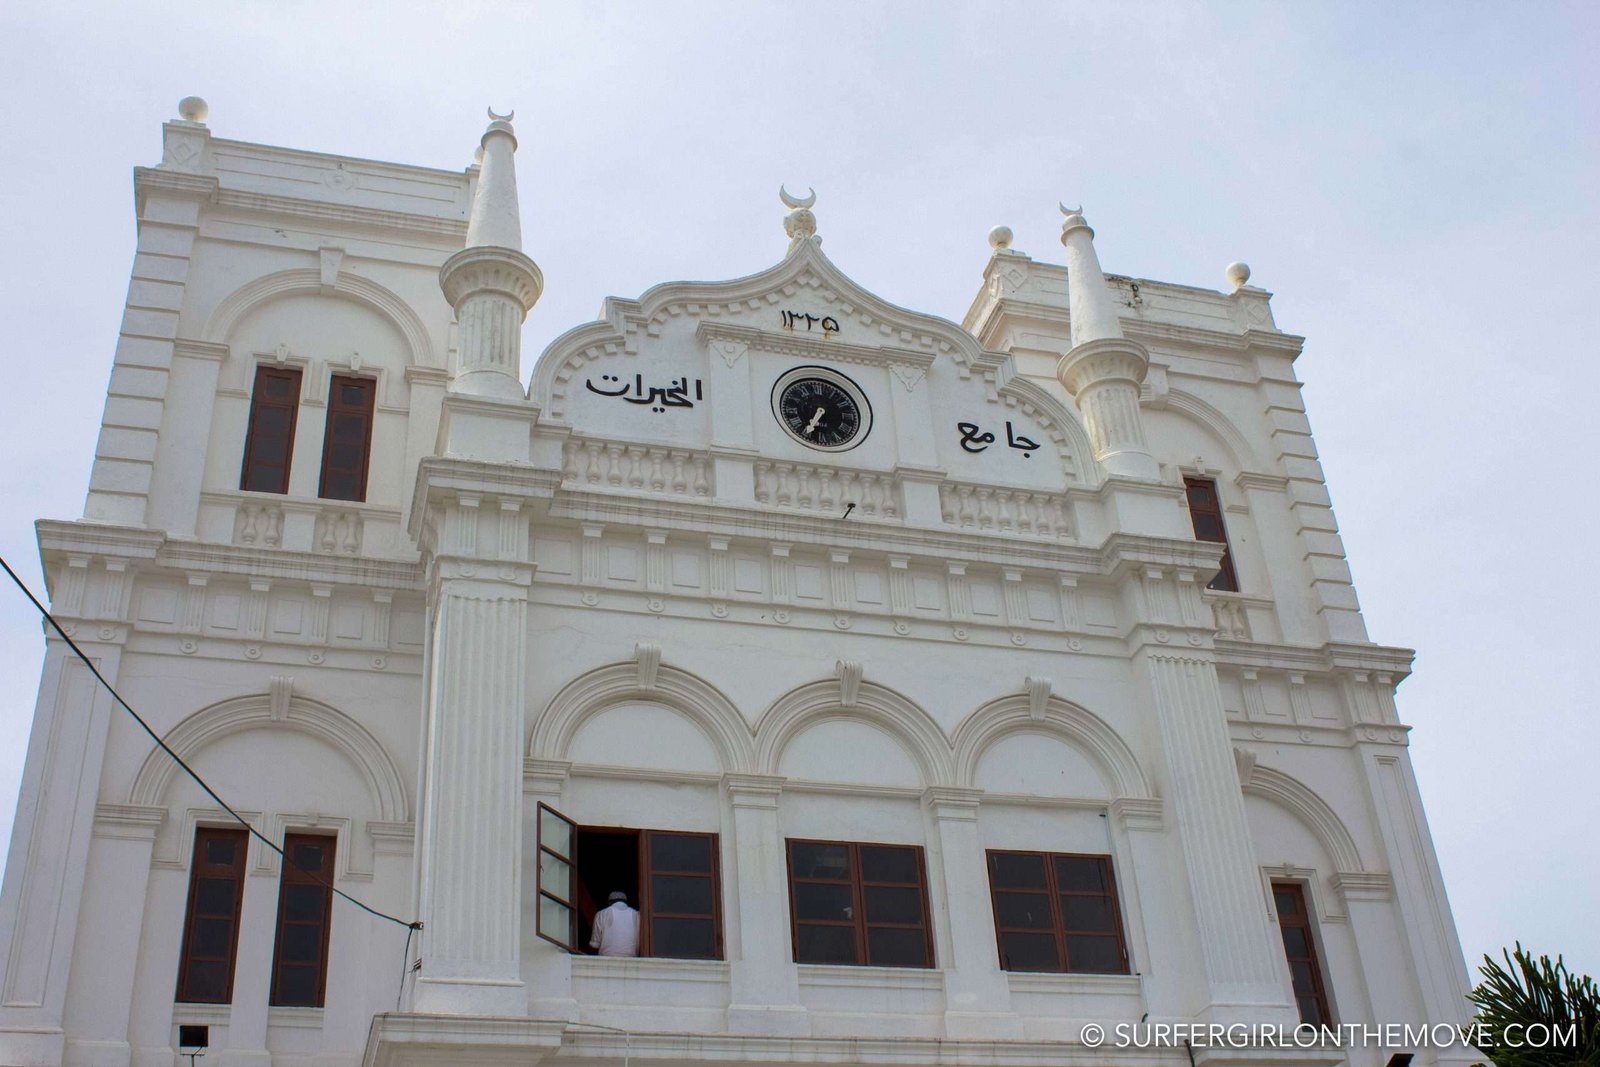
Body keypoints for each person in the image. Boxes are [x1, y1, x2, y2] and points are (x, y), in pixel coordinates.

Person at [589, 890, 640, 957]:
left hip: (607, 956)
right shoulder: (637, 915)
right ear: (626, 902)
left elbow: (595, 944)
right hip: (631, 956)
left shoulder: (602, 913)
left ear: (610, 902)